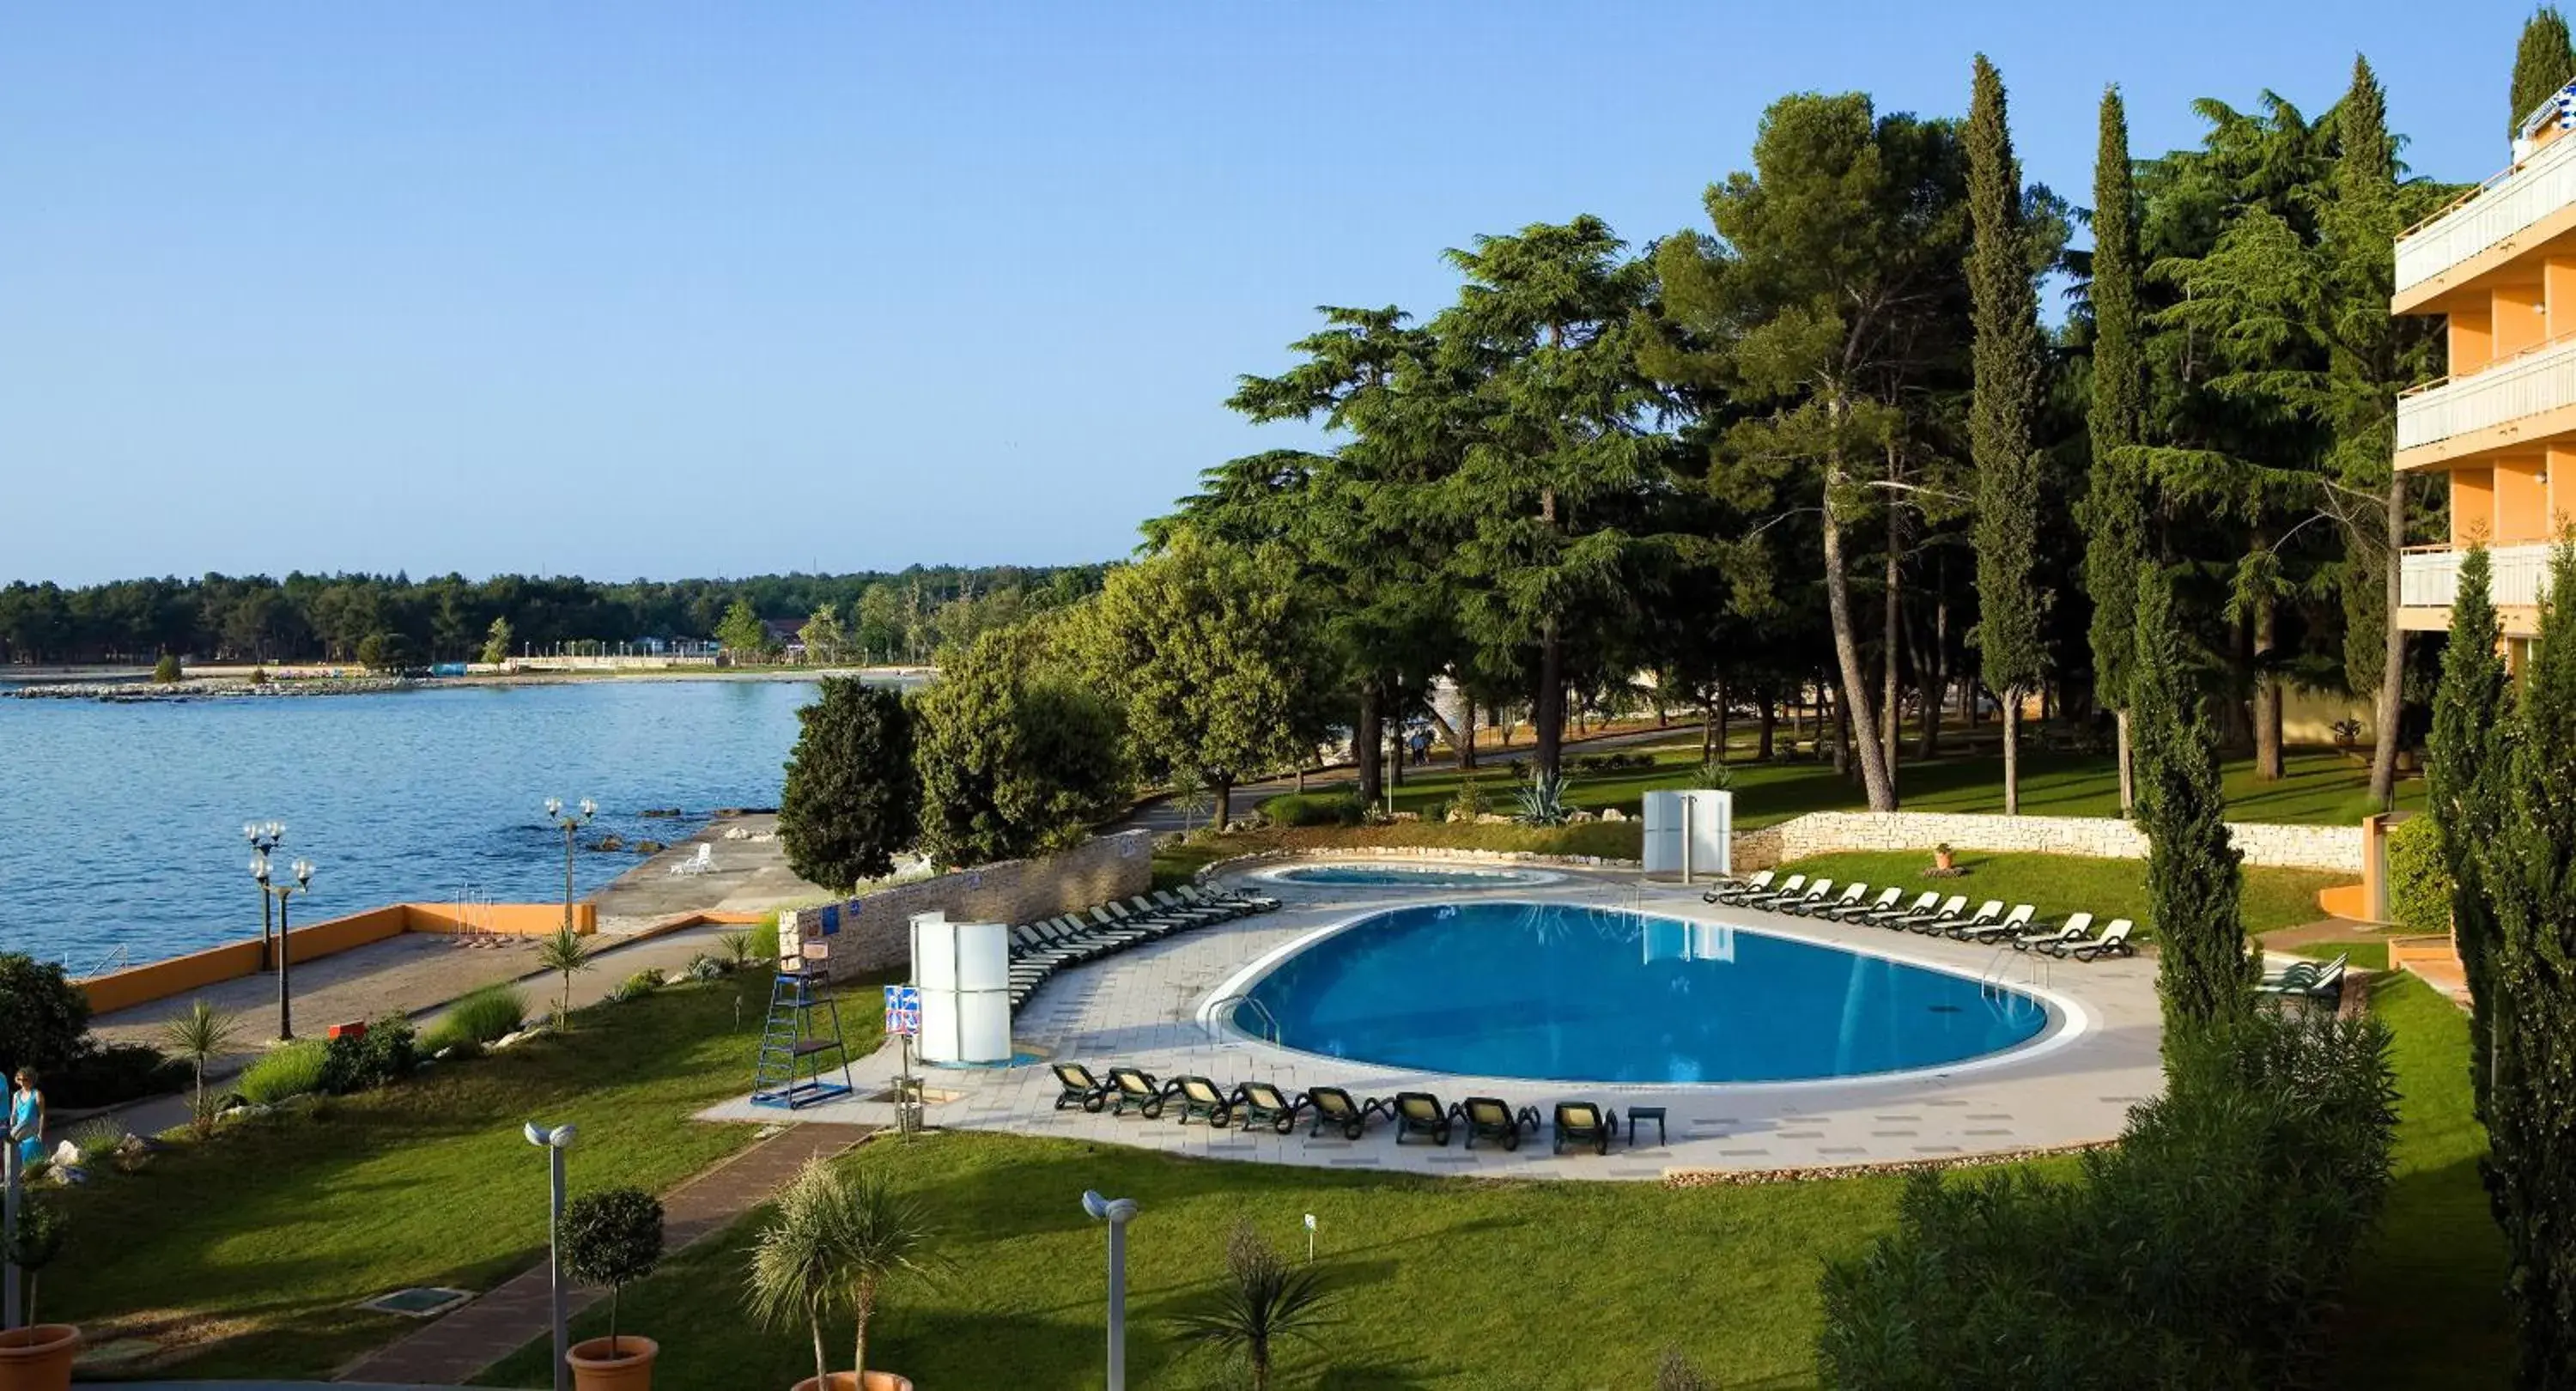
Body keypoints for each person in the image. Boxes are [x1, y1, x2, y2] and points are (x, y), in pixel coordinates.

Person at [9, 1066, 41, 1172]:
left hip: (32, 1130)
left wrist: (40, 1132)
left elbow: (42, 1115)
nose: (22, 1082)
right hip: (19, 1130)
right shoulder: (16, 1095)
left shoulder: (37, 1094)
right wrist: (12, 1127)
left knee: (30, 1159)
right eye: (20, 1079)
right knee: (18, 1159)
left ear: (31, 1079)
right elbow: (14, 1113)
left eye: (25, 1079)